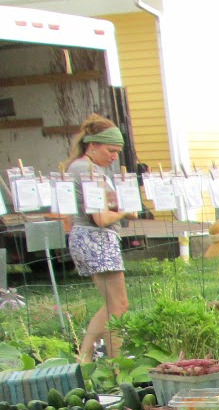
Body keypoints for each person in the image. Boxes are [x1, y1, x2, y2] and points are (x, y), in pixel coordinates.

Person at [64, 114, 138, 361]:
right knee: (118, 305)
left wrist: (118, 205)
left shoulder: (85, 168)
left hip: (90, 239)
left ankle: (87, 355)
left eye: (117, 152)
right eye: (110, 150)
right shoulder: (87, 170)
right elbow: (100, 219)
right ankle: (114, 361)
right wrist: (125, 210)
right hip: (96, 239)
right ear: (92, 145)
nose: (114, 157)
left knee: (113, 304)